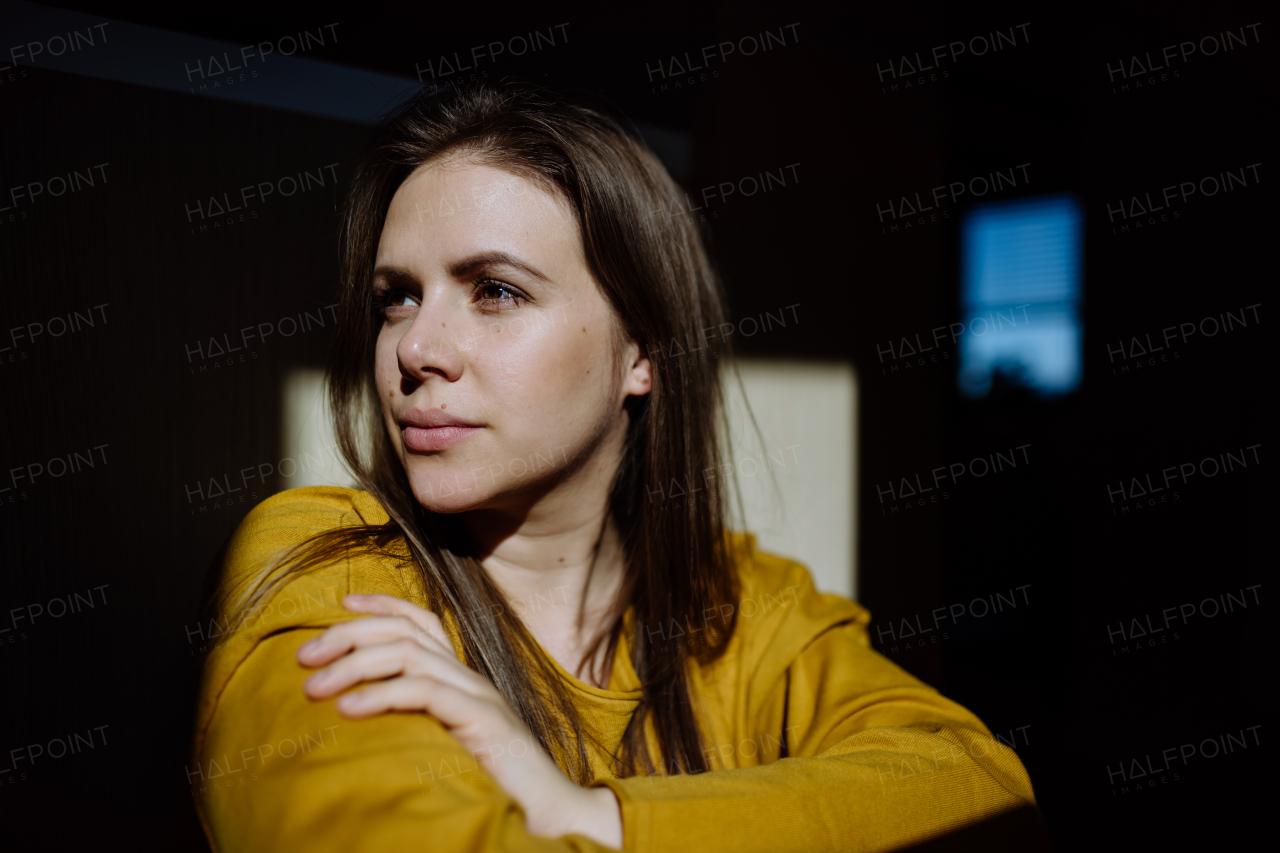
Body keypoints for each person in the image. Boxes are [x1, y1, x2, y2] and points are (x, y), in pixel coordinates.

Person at [191, 83, 1043, 852]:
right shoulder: (327, 562)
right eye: (398, 296)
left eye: (494, 290)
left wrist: (590, 815)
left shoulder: (745, 606)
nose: (413, 348)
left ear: (642, 350)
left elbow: (981, 791)